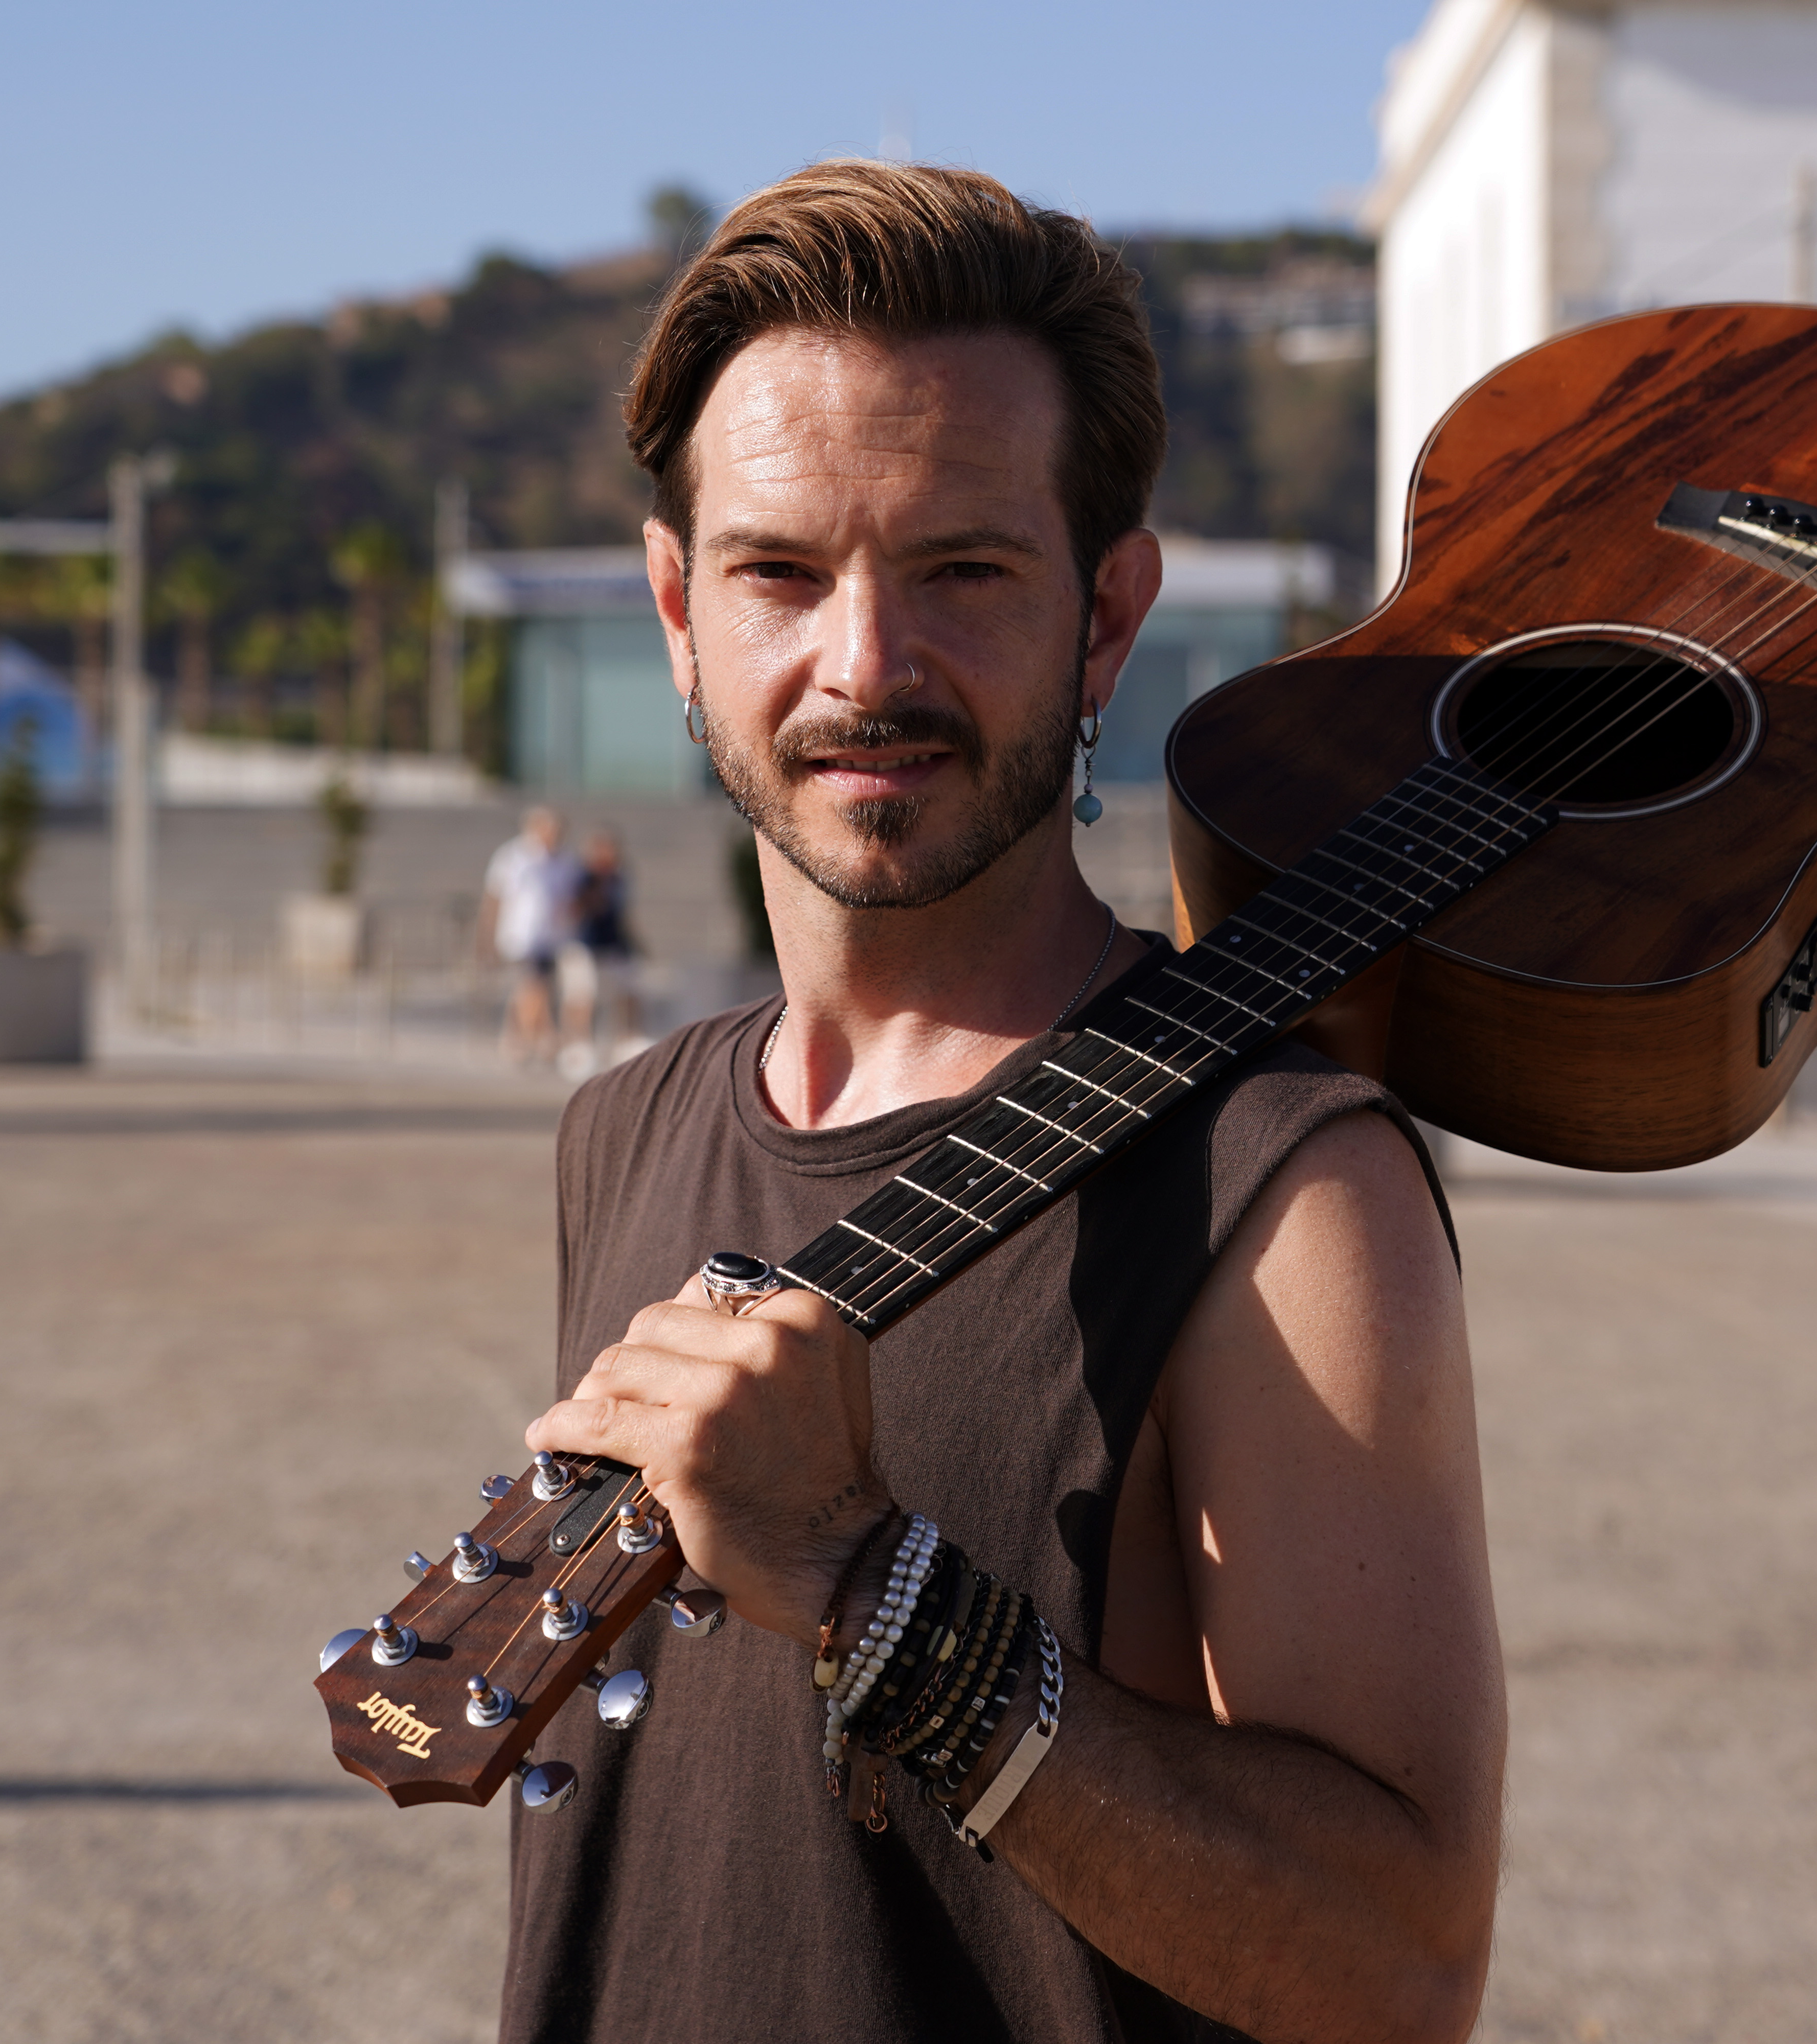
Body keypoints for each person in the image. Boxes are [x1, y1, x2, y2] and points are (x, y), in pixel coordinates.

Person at [499, 163, 1501, 2043]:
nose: (863, 663)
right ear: (675, 613)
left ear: (1107, 613)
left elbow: (1399, 1966)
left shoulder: (1284, 1179)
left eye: (962, 570)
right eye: (779, 572)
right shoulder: (621, 1127)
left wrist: (867, 1585)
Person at [480, 806, 572, 1067]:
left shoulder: (564, 860)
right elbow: (494, 897)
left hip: (550, 936)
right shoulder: (514, 856)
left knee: (529, 990)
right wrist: (487, 935)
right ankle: (541, 1037)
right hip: (520, 935)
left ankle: (515, 1038)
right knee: (534, 985)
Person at [555, 826, 642, 1078]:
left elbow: (622, 913)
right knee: (582, 996)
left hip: (613, 944)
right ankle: (577, 1044)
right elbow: (571, 909)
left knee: (627, 992)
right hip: (584, 943)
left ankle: (626, 1039)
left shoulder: (619, 878)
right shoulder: (582, 877)